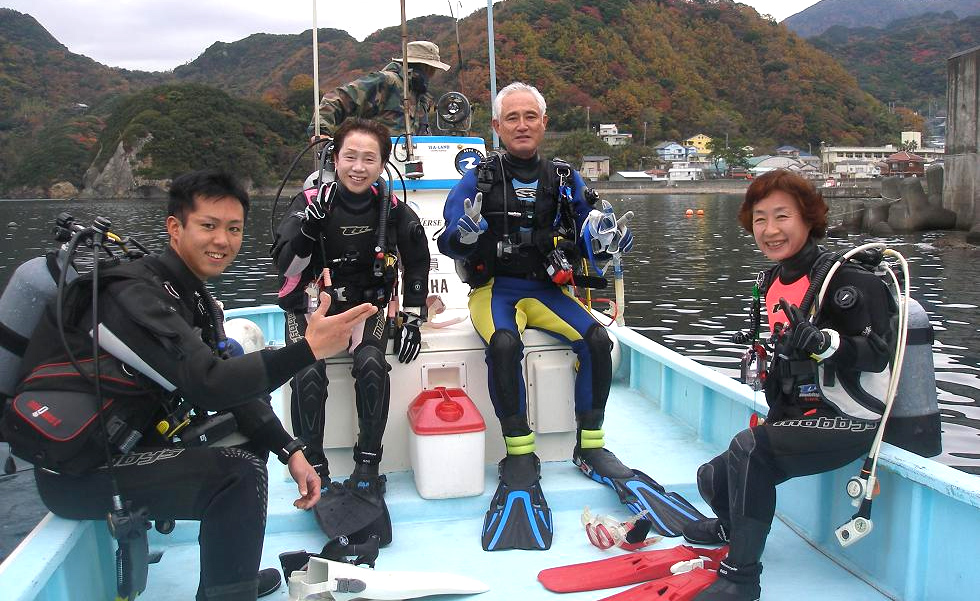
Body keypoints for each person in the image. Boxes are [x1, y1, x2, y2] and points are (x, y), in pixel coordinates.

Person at [10, 170, 376, 601]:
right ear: (175, 228)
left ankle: (227, 577)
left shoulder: (189, 296)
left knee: (248, 440)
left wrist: (289, 450)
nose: (222, 240)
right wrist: (307, 349)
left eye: (234, 228)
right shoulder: (132, 295)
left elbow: (231, 385)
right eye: (208, 225)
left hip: (125, 440)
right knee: (237, 476)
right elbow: (209, 384)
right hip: (80, 469)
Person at [438, 82, 703, 552]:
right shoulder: (477, 179)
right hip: (496, 290)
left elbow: (587, 234)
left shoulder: (564, 178)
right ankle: (520, 455)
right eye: (512, 118)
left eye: (530, 116)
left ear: (543, 122)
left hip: (545, 289)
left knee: (598, 341)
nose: (522, 125)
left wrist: (605, 243)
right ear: (497, 127)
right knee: (503, 345)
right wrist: (463, 234)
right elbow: (448, 241)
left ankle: (592, 446)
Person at [686, 170, 895, 601]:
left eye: (782, 216)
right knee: (711, 478)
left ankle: (741, 579)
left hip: (849, 422)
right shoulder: (770, 282)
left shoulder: (847, 281)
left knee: (749, 449)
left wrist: (825, 342)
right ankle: (731, 527)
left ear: (808, 219)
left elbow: (877, 352)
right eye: (760, 219)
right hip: (799, 418)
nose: (771, 229)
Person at [272, 118, 430, 546]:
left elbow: (418, 259)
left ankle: (367, 467)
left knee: (372, 364)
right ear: (335, 158)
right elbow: (284, 268)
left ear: (383, 163)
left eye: (369, 158)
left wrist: (412, 315)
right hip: (314, 306)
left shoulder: (393, 210)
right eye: (350, 157)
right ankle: (315, 468)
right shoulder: (309, 202)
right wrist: (307, 229)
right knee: (306, 372)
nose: (358, 168)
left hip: (366, 306)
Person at [310, 40, 450, 138]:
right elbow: (336, 99)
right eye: (432, 69)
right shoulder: (387, 82)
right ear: (424, 67)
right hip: (374, 162)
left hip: (405, 167)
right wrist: (321, 132)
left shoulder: (420, 96)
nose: (433, 74)